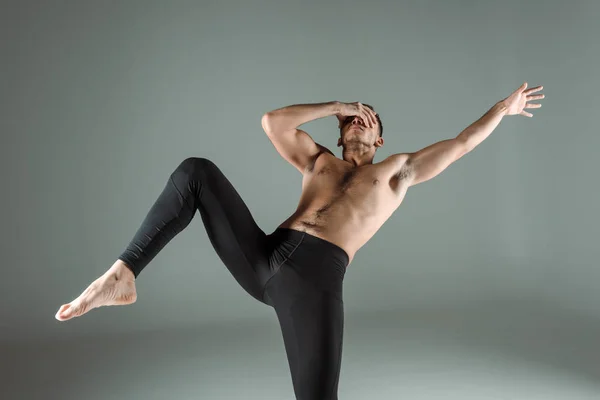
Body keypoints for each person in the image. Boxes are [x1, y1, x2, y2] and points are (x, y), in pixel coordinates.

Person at [55, 82, 544, 399]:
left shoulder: (398, 171)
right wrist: (339, 104)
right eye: (352, 118)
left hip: (313, 285)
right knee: (195, 173)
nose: (358, 121)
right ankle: (123, 273)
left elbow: (460, 143)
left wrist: (504, 108)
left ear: (379, 141)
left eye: (369, 120)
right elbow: (273, 122)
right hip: (263, 258)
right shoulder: (318, 161)